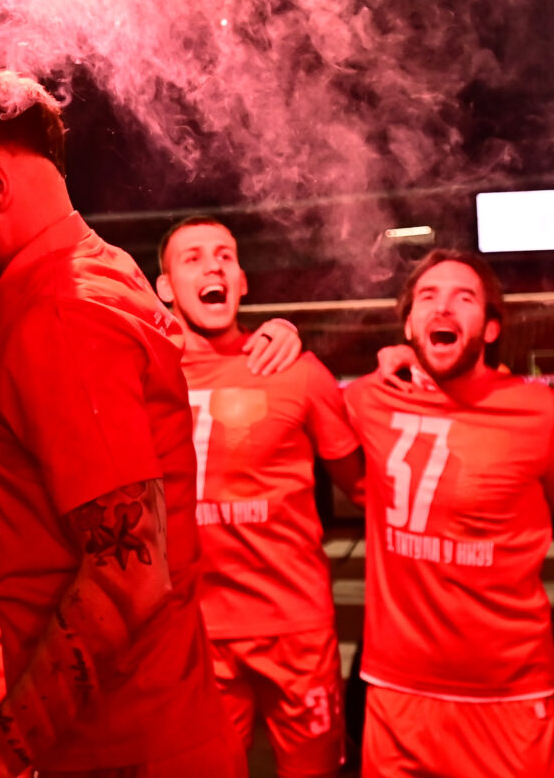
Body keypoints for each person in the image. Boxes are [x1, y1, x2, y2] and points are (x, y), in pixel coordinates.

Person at [0, 72, 239, 778]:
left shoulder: (61, 316)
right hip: (130, 731)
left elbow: (128, 569)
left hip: (123, 747)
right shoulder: (76, 262)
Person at [347, 250, 554, 778]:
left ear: (492, 326)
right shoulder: (370, 398)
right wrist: (279, 330)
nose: (443, 308)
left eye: (464, 297)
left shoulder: (538, 412)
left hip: (510, 697)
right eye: (428, 297)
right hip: (396, 694)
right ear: (408, 324)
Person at [154, 216, 362, 778]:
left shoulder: (296, 371)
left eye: (225, 255)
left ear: (242, 281)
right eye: (193, 257)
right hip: (192, 635)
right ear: (165, 287)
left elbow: (366, 488)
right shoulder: (139, 374)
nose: (213, 264)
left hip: (295, 630)